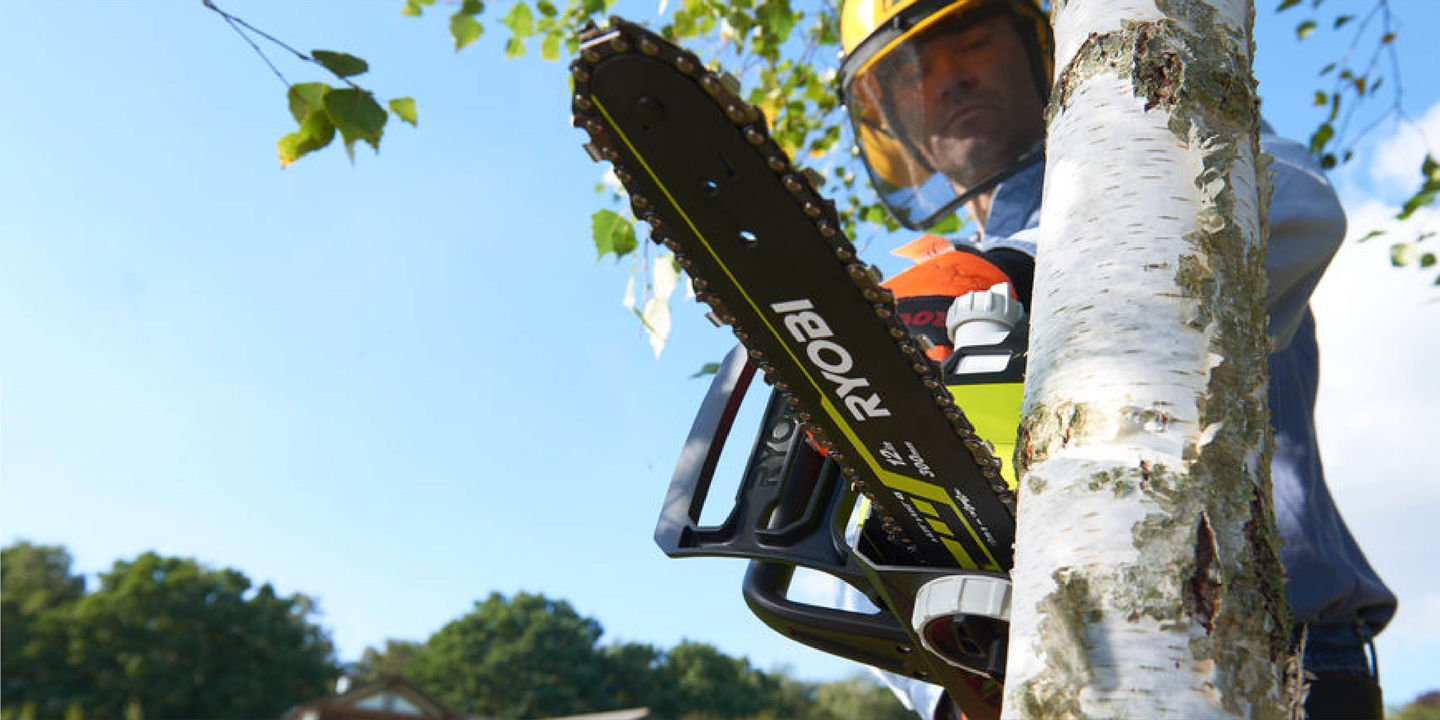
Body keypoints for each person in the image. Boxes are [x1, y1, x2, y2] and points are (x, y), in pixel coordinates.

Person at [832, 0, 1398, 718]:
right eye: (915, 73)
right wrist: (942, 686)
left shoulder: (1163, 153)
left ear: (1041, 48)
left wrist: (1021, 274)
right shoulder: (925, 297)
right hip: (1052, 672)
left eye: (971, 43)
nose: (950, 80)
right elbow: (872, 529)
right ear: (887, 124)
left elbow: (1301, 206)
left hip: (1283, 656)